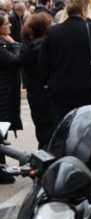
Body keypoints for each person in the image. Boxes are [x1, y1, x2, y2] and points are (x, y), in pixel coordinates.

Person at [38, 0, 91, 125]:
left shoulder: (53, 32)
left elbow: (43, 63)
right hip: (88, 91)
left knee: (64, 131)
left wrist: (47, 84)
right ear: (84, 9)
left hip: (61, 92)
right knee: (89, 132)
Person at [19, 13, 56, 149]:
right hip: (45, 91)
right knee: (50, 129)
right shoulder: (44, 46)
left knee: (41, 127)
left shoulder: (26, 45)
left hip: (33, 91)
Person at [0, 11, 22, 183]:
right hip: (2, 97)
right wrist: (14, 43)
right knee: (1, 133)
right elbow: (16, 60)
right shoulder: (1, 46)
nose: (10, 25)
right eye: (6, 23)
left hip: (4, 96)